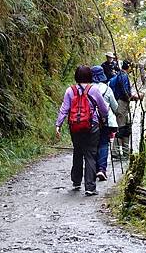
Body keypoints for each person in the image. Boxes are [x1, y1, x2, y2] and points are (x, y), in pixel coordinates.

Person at [55, 65, 108, 196]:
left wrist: (58, 125)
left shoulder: (70, 90)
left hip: (75, 127)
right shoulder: (94, 90)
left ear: (76, 76)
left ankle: (76, 180)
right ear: (90, 76)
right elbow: (104, 110)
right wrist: (105, 118)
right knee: (91, 154)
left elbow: (64, 109)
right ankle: (90, 187)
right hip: (92, 126)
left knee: (78, 151)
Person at [91, 65, 118, 181]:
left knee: (92, 145)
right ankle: (102, 169)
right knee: (103, 144)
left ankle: (93, 170)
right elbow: (115, 107)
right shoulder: (107, 89)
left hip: (91, 121)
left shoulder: (87, 89)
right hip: (105, 121)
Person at [109, 60, 141, 159]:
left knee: (126, 127)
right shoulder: (123, 76)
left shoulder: (117, 76)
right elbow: (124, 91)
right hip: (122, 104)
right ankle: (116, 151)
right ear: (129, 67)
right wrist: (132, 97)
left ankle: (126, 150)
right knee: (121, 127)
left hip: (119, 103)